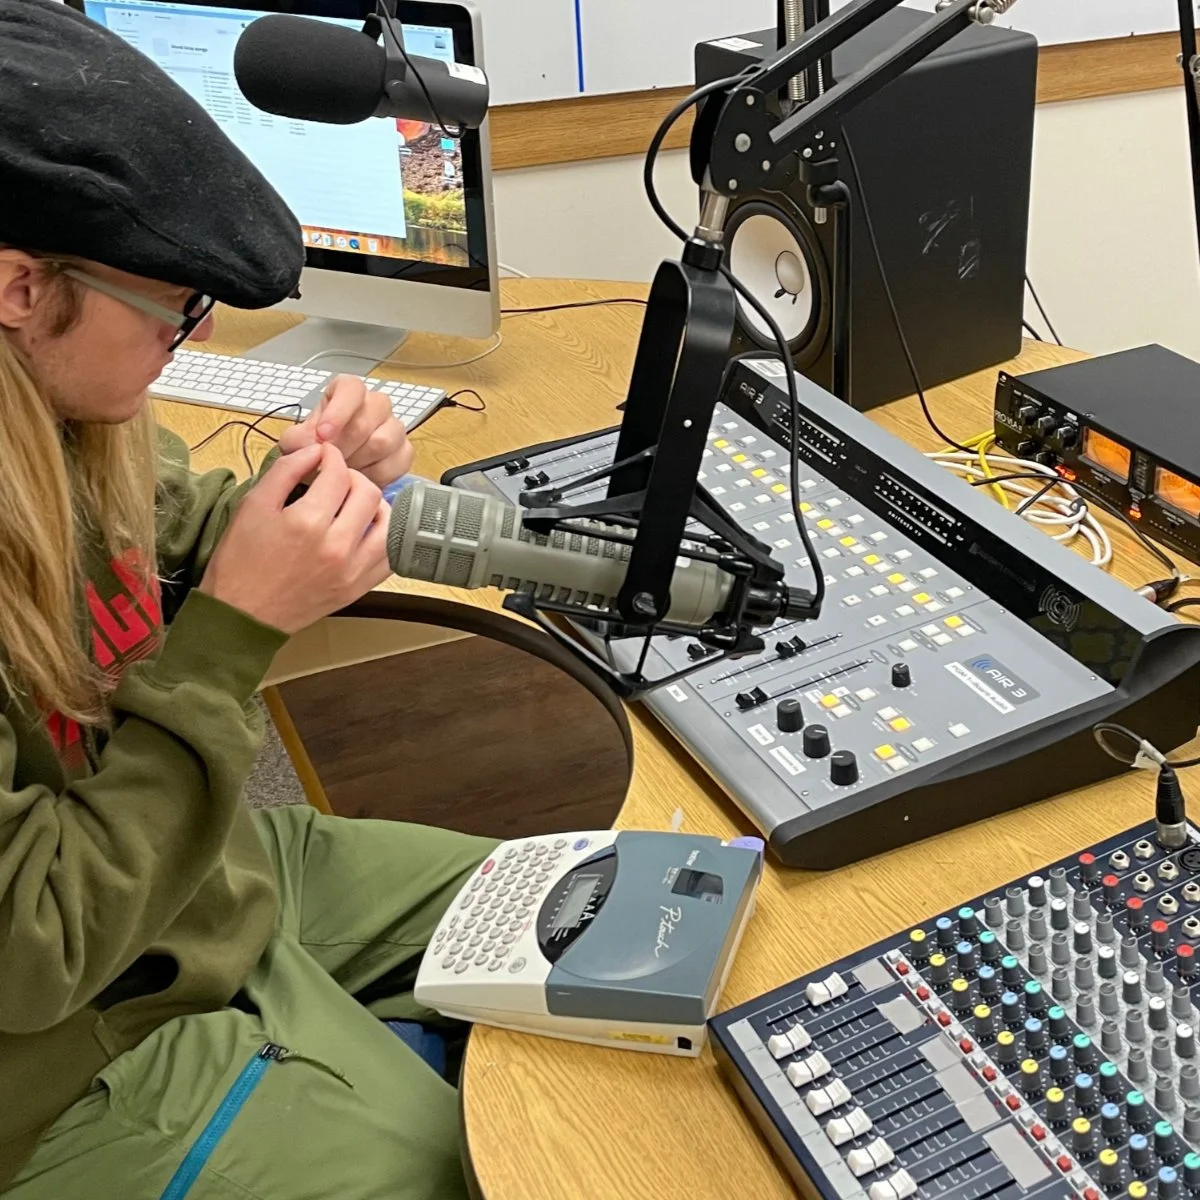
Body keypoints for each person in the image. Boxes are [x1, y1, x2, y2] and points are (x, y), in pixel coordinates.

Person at [0, 3, 495, 1196]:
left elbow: (175, 535)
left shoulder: (59, 416)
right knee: (462, 1171)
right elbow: (38, 948)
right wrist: (230, 639)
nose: (196, 333)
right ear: (18, 286)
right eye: (174, 310)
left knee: (586, 907)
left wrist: (307, 495)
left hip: (188, 871)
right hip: (62, 1039)